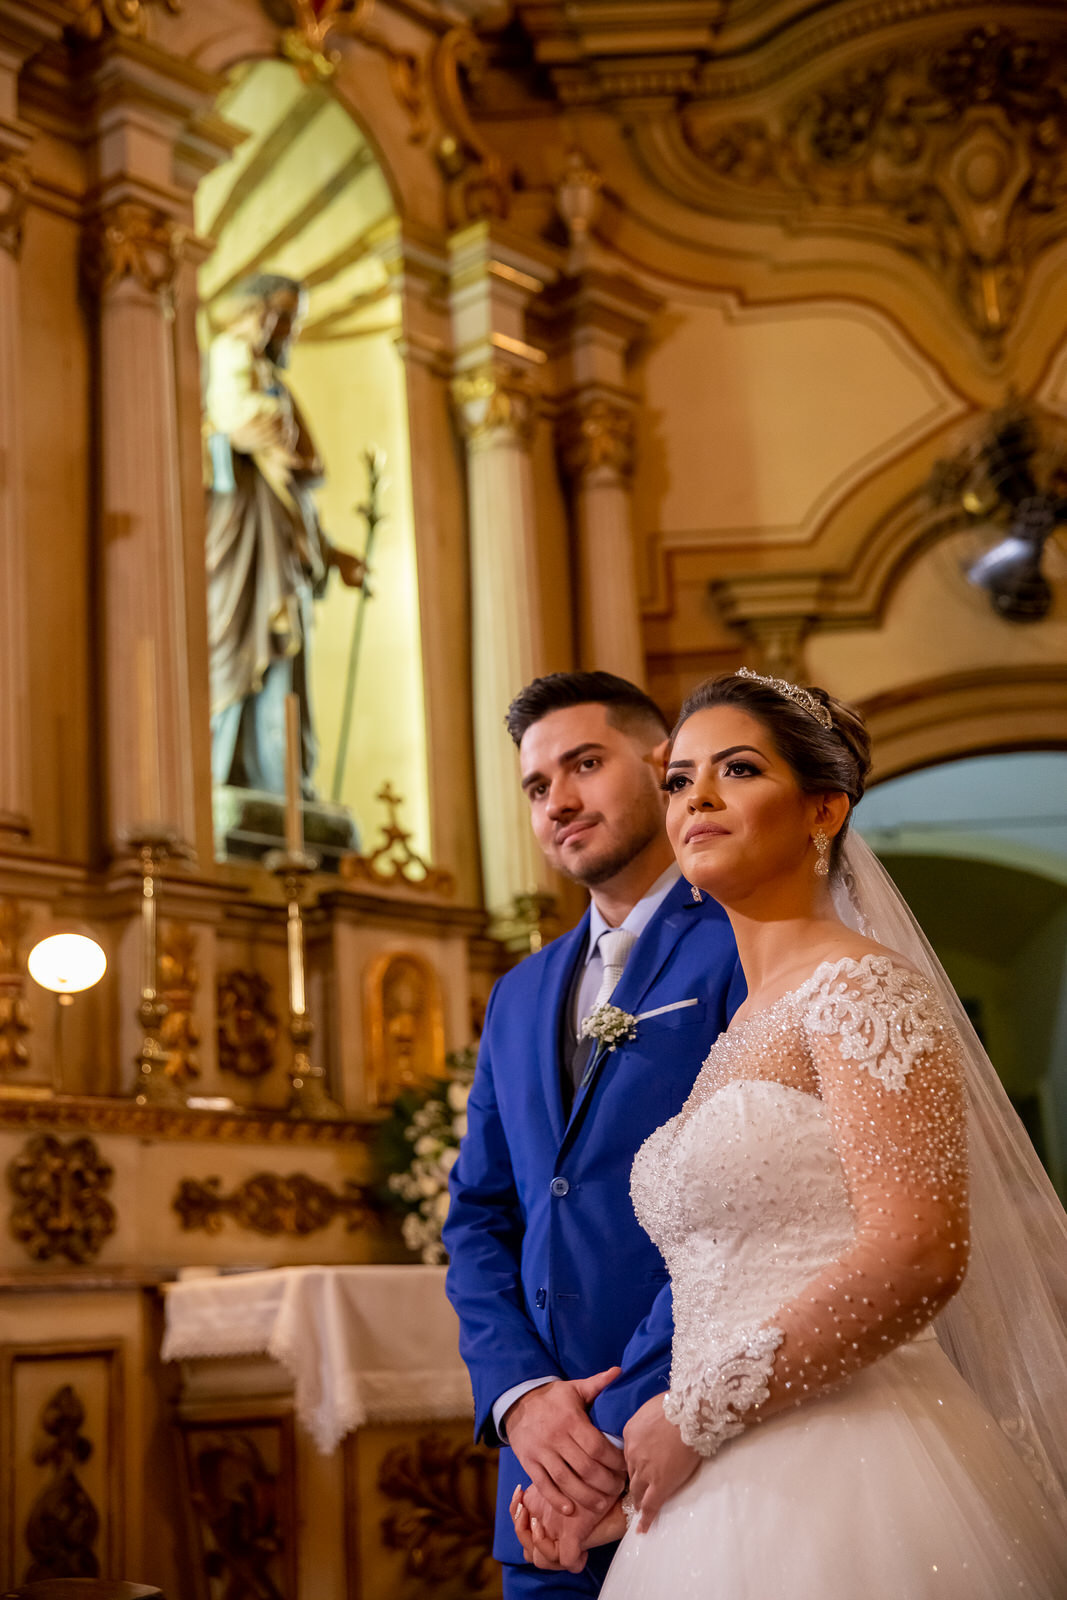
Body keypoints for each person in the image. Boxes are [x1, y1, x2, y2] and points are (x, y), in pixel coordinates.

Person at [512, 669, 1067, 1597]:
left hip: (858, 1476)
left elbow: (920, 1255)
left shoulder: (862, 991)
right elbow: (727, 1288)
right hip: (723, 1480)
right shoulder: (743, 1026)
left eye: (736, 769)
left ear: (823, 809)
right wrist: (637, 1479)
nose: (697, 798)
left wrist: (690, 1416)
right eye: (680, 779)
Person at [443, 671, 744, 1597]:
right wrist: (522, 1399)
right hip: (540, 1487)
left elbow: (746, 1217)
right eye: (537, 786)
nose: (558, 802)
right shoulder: (517, 993)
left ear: (663, 768)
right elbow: (479, 1216)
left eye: (583, 765)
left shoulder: (745, 942)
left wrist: (615, 1421)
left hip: (697, 1450)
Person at [205, 273, 365, 797]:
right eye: (285, 318)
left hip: (283, 553)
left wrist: (331, 553)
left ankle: (284, 782)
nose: (291, 331)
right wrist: (257, 430)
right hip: (238, 543)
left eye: (294, 320)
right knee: (244, 653)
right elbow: (229, 423)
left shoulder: (272, 381)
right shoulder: (227, 358)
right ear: (260, 313)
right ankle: (230, 776)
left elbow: (295, 490)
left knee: (287, 662)